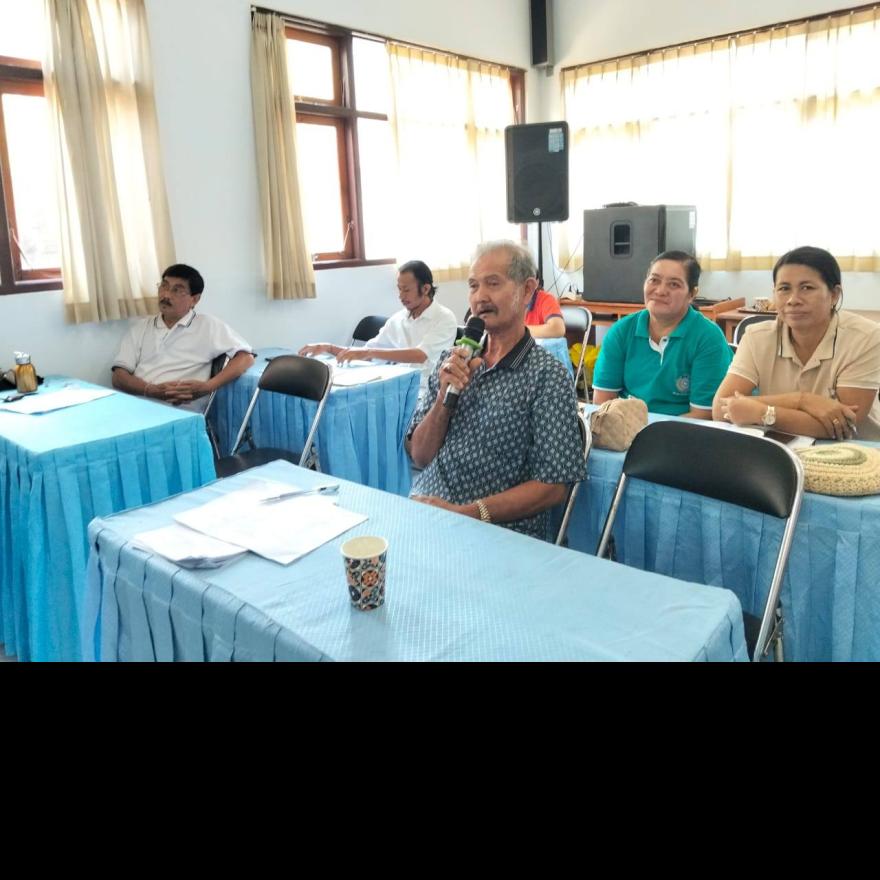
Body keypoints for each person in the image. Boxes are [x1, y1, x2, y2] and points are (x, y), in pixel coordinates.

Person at [407, 241, 585, 541]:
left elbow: (554, 486)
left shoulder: (547, 376)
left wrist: (468, 513)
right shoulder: (453, 362)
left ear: (527, 290)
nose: (480, 297)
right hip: (429, 511)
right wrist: (443, 400)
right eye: (473, 286)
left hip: (501, 531)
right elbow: (420, 457)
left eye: (493, 283)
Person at [713, 246, 880, 440]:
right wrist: (801, 400)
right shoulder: (756, 336)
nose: (793, 300)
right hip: (783, 446)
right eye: (784, 289)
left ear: (834, 295)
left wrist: (763, 412)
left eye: (807, 288)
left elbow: (846, 425)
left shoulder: (865, 337)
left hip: (856, 449)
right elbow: (721, 409)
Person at [592, 251, 731, 417]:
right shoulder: (621, 331)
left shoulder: (708, 338)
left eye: (674, 284)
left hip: (683, 429)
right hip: (627, 427)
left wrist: (652, 430)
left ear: (692, 294)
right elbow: (602, 402)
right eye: (654, 280)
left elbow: (703, 415)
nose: (660, 291)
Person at [298, 260, 457, 395]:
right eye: (399, 289)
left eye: (407, 290)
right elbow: (364, 353)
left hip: (425, 391)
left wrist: (367, 352)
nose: (401, 296)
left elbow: (421, 355)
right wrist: (328, 347)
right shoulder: (398, 319)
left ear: (426, 289)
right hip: (395, 387)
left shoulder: (444, 318)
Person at [111, 264, 254, 411]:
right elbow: (118, 377)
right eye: (164, 286)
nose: (166, 295)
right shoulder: (141, 327)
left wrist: (208, 386)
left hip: (180, 412)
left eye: (177, 290)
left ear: (194, 299)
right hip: (137, 407)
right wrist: (150, 390)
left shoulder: (207, 325)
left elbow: (246, 358)